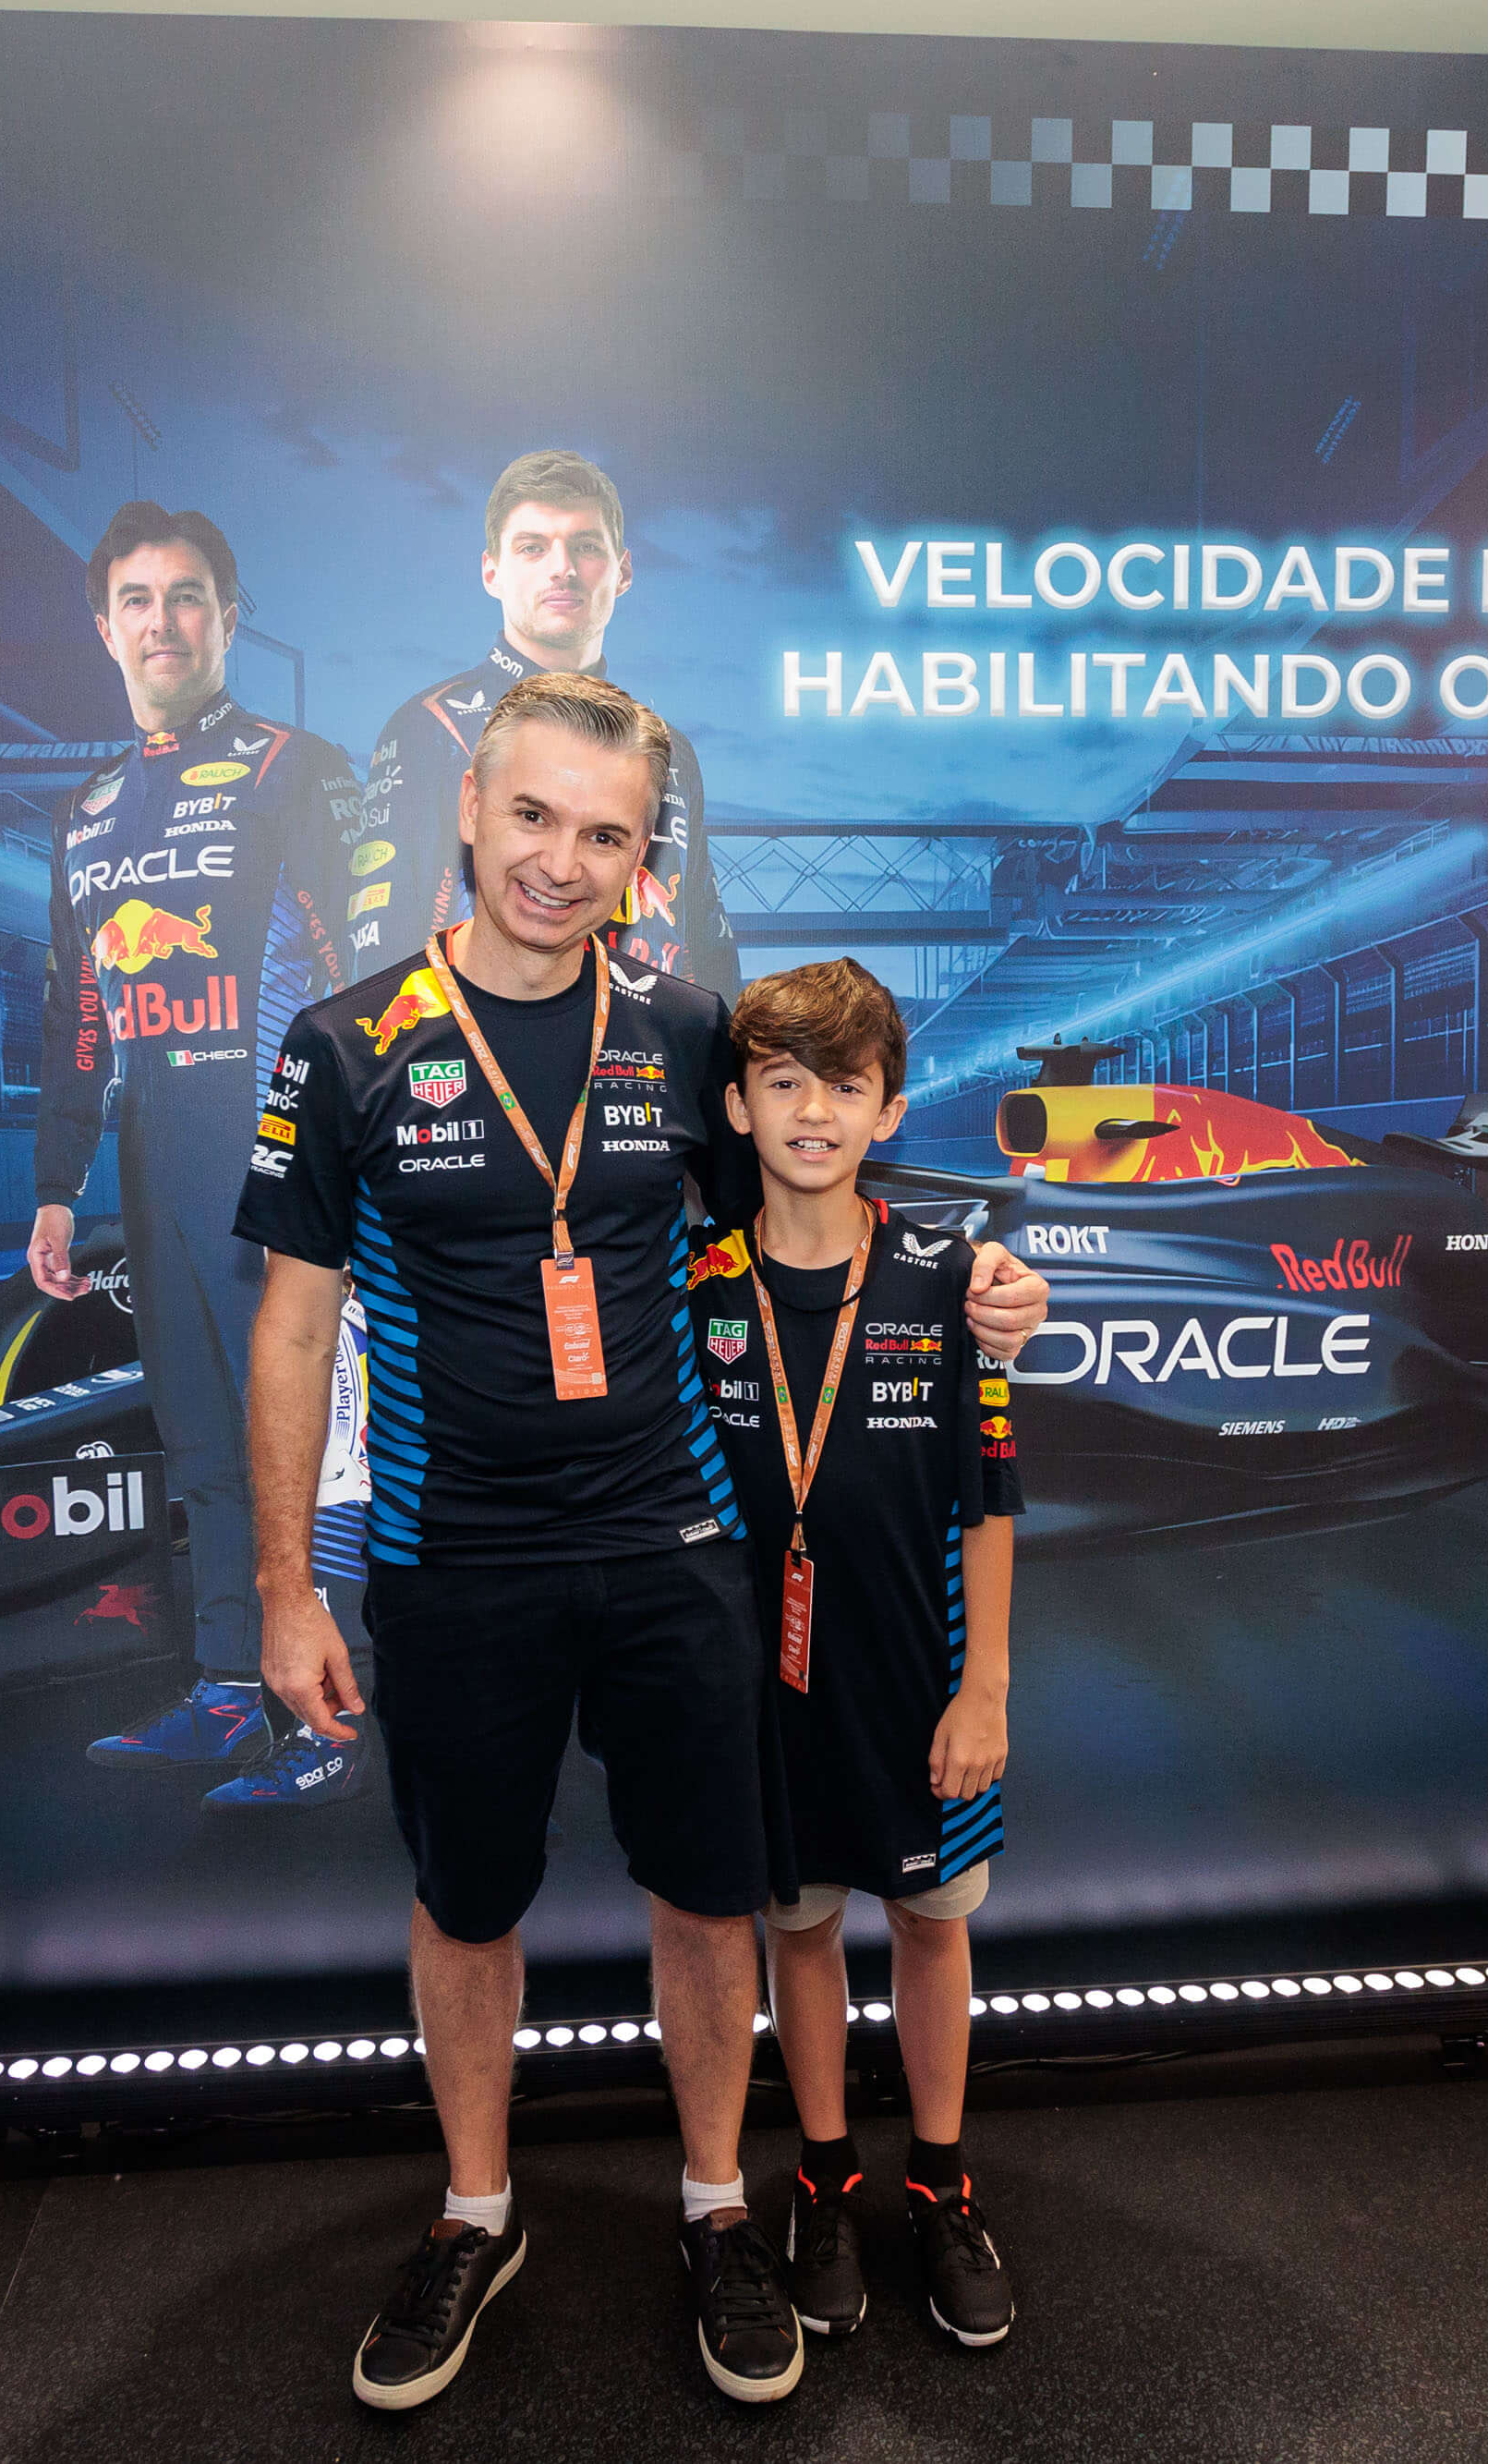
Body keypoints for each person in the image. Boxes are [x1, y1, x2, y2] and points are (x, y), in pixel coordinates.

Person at [234, 672, 1046, 2410]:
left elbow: (824, 1200)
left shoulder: (684, 1031)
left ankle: (717, 2203)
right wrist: (287, 1586)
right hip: (454, 1559)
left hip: (678, 1547)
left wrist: (979, 1280)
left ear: (642, 857)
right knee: (467, 1904)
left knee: (706, 1892)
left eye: (604, 835)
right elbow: (292, 1328)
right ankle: (475, 2210)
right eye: (532, 815)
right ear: (469, 809)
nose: (561, 860)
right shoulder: (344, 1042)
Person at [692, 959, 1020, 2353]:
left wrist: (985, 1685)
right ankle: (823, 2176)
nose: (812, 1112)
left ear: (888, 1109)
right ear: (738, 1106)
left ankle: (940, 2178)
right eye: (783, 1083)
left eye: (845, 1085)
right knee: (802, 1927)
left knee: (933, 1922)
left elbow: (991, 1496)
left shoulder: (954, 1278)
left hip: (922, 1679)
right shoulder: (694, 1282)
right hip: (765, 1690)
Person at [32, 502, 371, 1810]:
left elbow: (365, 968)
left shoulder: (301, 768)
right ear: (103, 625)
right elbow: (76, 1010)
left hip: (280, 1146)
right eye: (137, 598)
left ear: (229, 617)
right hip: (149, 1152)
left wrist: (361, 1142)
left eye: (186, 596)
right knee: (200, 1436)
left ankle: (336, 1716)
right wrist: (55, 1184)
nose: (161, 620)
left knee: (315, 1439)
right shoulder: (85, 810)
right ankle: (231, 1683)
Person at [347, 449, 735, 994]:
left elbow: (707, 948)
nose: (563, 568)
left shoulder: (670, 749)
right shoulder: (429, 727)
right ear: (491, 572)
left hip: (643, 1047)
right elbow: (378, 951)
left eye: (586, 546)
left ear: (623, 571)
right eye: (533, 547)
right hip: (470, 1042)